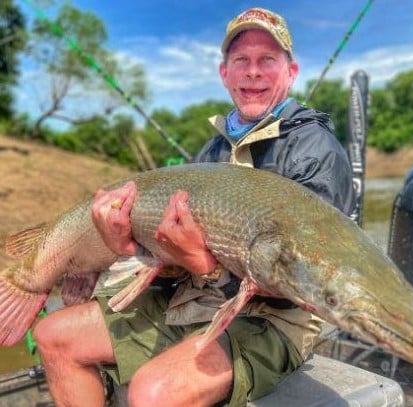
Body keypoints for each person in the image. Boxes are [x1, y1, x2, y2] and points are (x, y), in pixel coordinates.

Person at [33, 7, 355, 407]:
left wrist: (206, 267)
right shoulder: (213, 149)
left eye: (267, 60)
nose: (253, 71)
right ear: (225, 74)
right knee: (54, 336)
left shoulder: (316, 149)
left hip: (274, 319)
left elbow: (306, 285)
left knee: (153, 392)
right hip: (198, 298)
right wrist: (129, 249)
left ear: (291, 72)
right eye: (241, 60)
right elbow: (174, 257)